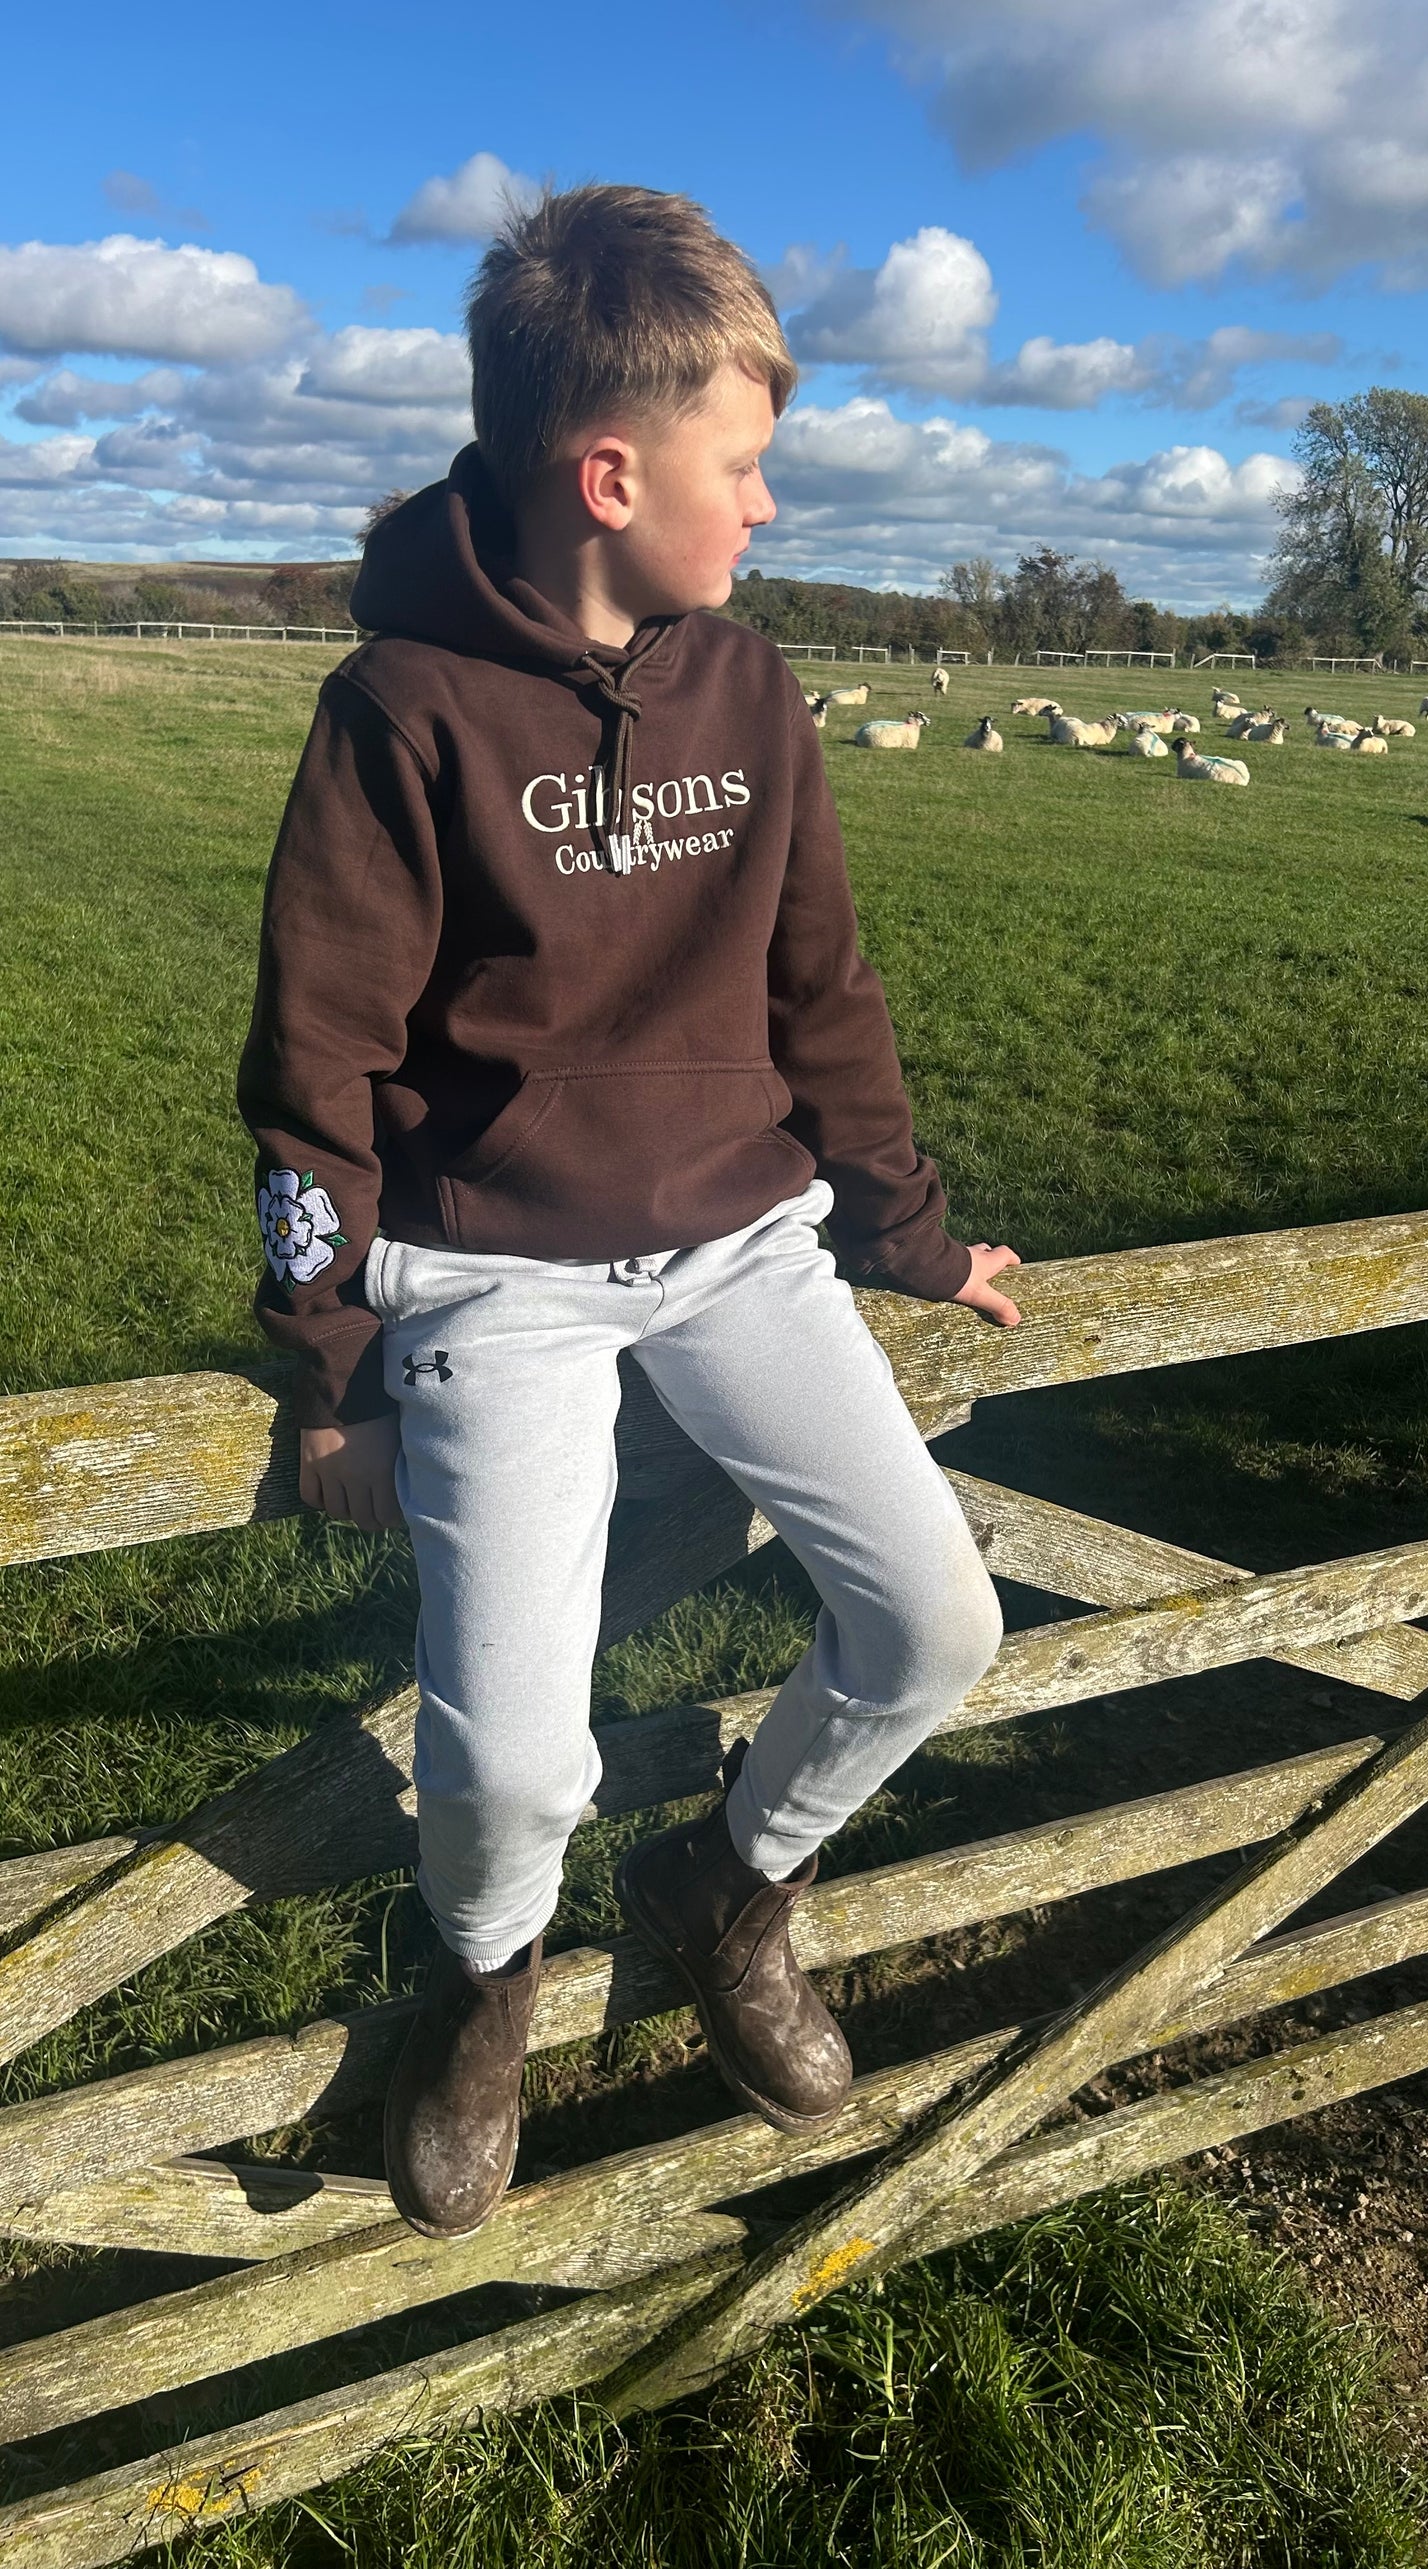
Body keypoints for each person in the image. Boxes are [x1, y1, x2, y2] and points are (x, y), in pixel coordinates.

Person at [237, 182, 1021, 2243]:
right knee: (506, 1771)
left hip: (745, 1241)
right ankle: (486, 1974)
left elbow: (822, 989)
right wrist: (331, 1373)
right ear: (611, 470)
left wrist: (915, 1233)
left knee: (937, 1619)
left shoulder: (749, 694)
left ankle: (732, 1876)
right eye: (743, 467)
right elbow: (314, 1071)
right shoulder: (397, 716)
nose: (765, 509)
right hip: (490, 1276)